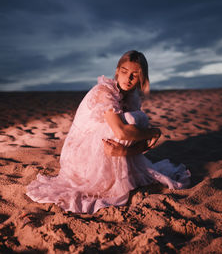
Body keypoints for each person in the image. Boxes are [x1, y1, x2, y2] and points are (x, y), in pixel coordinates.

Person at [26, 50, 191, 214]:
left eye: (135, 74)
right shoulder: (104, 91)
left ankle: (121, 174)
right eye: (125, 72)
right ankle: (112, 180)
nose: (129, 78)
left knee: (139, 119)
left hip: (106, 147)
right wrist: (154, 132)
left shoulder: (132, 98)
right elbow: (121, 133)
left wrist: (126, 150)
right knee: (133, 122)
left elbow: (140, 145)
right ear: (117, 71)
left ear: (141, 78)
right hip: (80, 156)